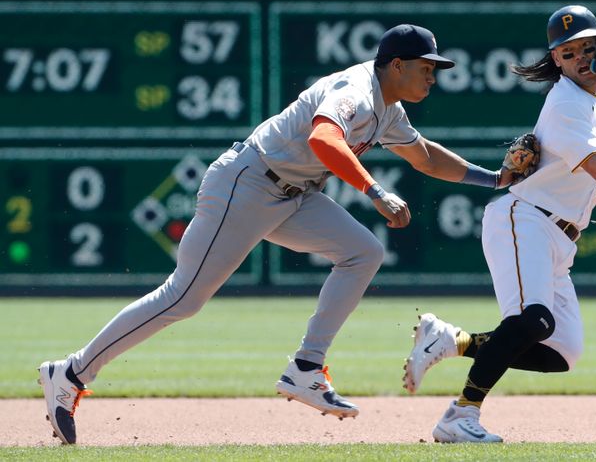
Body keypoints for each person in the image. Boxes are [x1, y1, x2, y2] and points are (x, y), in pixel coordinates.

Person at [38, 23, 517, 444]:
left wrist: (496, 180)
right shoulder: (355, 89)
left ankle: (306, 367)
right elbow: (322, 138)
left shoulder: (388, 110)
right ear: (396, 65)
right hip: (246, 184)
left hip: (292, 195)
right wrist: (374, 190)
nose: (433, 75)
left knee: (363, 252)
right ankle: (72, 372)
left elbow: (427, 158)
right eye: (426, 67)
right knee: (183, 298)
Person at [401, 5, 596, 443]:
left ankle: (451, 340)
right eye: (567, 53)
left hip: (562, 234)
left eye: (586, 48)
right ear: (556, 60)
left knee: (561, 352)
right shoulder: (564, 102)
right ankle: (461, 415)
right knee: (534, 321)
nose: (578, 59)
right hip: (524, 219)